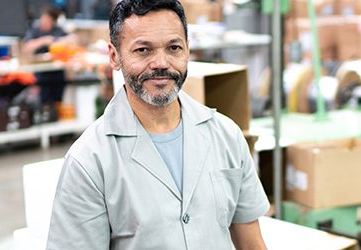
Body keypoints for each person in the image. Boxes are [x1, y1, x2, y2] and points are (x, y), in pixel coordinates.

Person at [46, 0, 270, 249]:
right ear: (114, 56)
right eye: (143, 50)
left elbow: (252, 244)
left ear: (187, 49)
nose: (161, 63)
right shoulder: (89, 160)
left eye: (173, 47)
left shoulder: (226, 135)